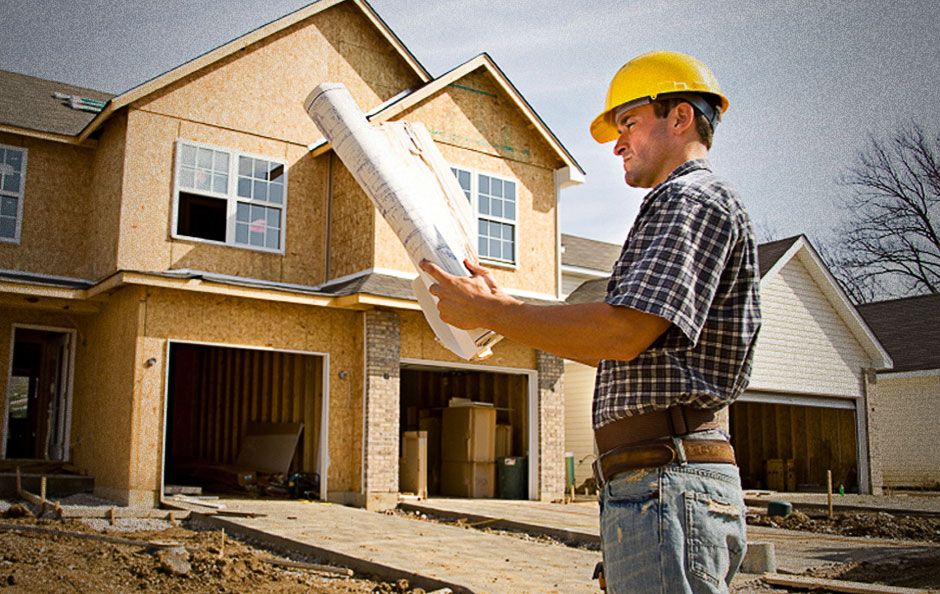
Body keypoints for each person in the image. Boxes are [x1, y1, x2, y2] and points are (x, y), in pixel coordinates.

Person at [420, 50, 760, 593]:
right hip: (654, 487)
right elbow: (609, 346)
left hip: (667, 485)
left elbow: (621, 333)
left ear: (680, 117)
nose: (618, 144)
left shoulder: (690, 199)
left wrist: (491, 312)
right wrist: (504, 312)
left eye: (629, 123)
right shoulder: (678, 206)